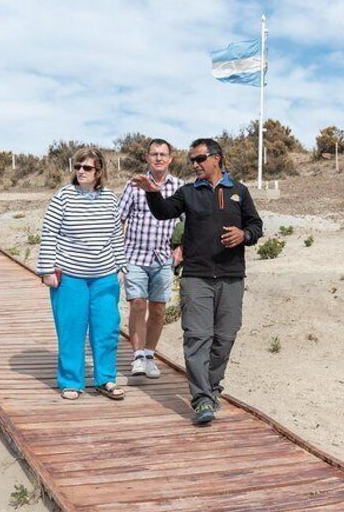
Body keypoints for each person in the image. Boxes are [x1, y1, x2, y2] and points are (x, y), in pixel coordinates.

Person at [132, 138, 263, 424]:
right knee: (196, 337)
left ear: (216, 158)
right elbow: (164, 211)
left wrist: (244, 235)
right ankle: (202, 399)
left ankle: (213, 388)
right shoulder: (188, 192)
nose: (195, 165)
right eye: (192, 160)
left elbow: (256, 225)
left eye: (200, 159)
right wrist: (153, 193)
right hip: (196, 277)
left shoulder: (239, 191)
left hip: (231, 277)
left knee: (225, 337)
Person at [37, 148, 128, 401]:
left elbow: (115, 235)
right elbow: (49, 234)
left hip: (105, 277)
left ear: (99, 172)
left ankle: (105, 379)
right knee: (71, 329)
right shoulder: (63, 197)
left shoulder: (110, 198)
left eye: (87, 168)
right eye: (78, 166)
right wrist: (46, 270)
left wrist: (121, 266)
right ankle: (71, 381)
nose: (80, 171)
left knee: (107, 329)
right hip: (70, 278)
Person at [116, 138, 184, 379]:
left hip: (164, 257)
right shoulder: (134, 185)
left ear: (170, 158)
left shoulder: (178, 186)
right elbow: (119, 219)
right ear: (147, 157)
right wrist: (117, 254)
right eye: (154, 154)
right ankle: (137, 357)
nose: (158, 158)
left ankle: (149, 355)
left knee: (158, 309)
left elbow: (186, 222)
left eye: (163, 154)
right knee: (137, 303)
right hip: (134, 255)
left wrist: (180, 249)